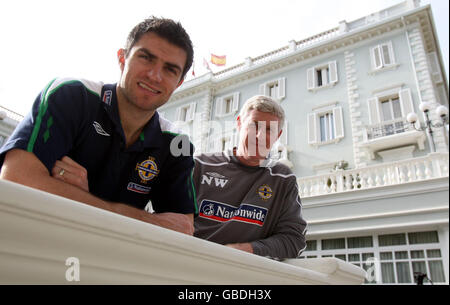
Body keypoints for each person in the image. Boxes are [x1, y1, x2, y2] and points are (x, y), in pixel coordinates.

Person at [0, 17, 197, 235]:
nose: (154, 75)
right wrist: (139, 218)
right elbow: (17, 178)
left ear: (179, 82)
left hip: (103, 258)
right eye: (146, 58)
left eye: (170, 70)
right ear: (122, 58)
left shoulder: (177, 143)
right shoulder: (72, 95)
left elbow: (181, 229)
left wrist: (74, 197)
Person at [193, 95, 307, 259]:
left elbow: (294, 240)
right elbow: (171, 221)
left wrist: (246, 249)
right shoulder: (200, 165)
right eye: (254, 125)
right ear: (239, 123)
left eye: (269, 130)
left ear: (278, 135)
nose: (260, 136)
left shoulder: (282, 178)